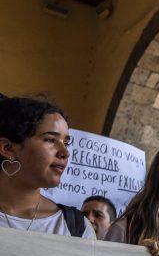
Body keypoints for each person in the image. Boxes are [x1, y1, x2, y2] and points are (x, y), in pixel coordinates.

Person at [0, 95, 93, 239]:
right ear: (7, 148)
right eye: (50, 140)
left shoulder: (75, 227)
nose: (65, 153)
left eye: (66, 143)